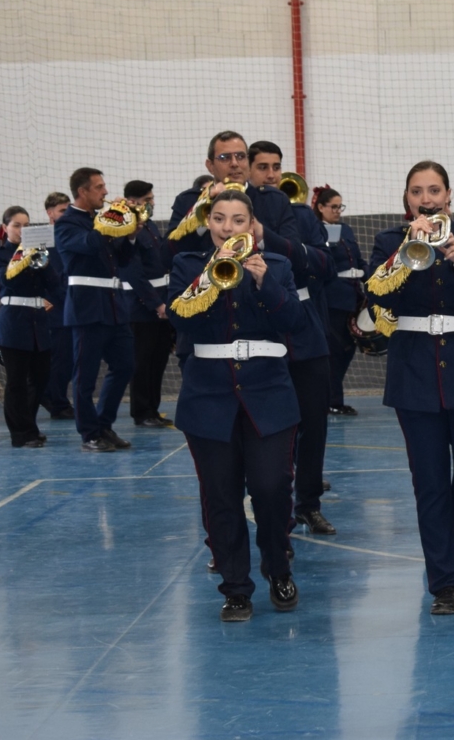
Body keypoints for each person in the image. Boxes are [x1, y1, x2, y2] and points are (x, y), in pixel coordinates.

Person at [365, 161, 454, 614]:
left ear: (449, 196)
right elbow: (376, 297)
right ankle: (443, 581)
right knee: (429, 483)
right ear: (406, 199)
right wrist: (405, 253)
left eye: (433, 191)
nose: (426, 199)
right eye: (417, 192)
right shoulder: (389, 242)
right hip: (414, 375)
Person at [167, 188, 308, 621]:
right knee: (220, 495)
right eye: (219, 219)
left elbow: (294, 322)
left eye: (238, 220)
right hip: (208, 397)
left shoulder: (277, 265)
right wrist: (210, 278)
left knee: (271, 488)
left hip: (269, 394)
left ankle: (278, 567)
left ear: (252, 225)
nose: (227, 227)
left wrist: (265, 283)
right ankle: (235, 587)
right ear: (207, 223)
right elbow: (179, 318)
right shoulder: (187, 265)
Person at [247, 140, 336, 535]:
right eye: (263, 167)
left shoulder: (300, 213)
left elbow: (324, 263)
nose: (271, 175)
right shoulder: (227, 211)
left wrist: (268, 237)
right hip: (259, 329)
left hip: (304, 330)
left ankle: (309, 504)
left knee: (314, 423)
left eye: (276, 167)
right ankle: (272, 508)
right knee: (266, 429)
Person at [57, 167, 138, 452]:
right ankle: (89, 434)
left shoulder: (99, 220)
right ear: (82, 191)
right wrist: (113, 216)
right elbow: (90, 244)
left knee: (125, 365)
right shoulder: (67, 223)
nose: (105, 192)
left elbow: (122, 259)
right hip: (87, 308)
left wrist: (131, 232)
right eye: (99, 187)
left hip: (114, 307)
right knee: (85, 377)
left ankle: (104, 424)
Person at [0, 206, 59, 447]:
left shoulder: (38, 251)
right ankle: (20, 434)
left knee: (40, 379)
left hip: (37, 322)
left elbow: (54, 284)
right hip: (13, 323)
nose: (22, 230)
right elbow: (6, 280)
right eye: (17, 225)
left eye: (27, 226)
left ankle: (28, 425)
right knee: (16, 382)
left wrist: (44, 263)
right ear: (5, 228)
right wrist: (23, 256)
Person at [123, 180, 176, 429]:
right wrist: (156, 304)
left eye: (152, 199)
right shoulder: (128, 230)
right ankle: (141, 411)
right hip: (141, 307)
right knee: (142, 363)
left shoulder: (150, 226)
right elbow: (133, 273)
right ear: (132, 202)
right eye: (147, 200)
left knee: (158, 360)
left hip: (162, 303)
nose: (152, 203)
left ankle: (153, 409)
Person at [315, 186, 363, 416]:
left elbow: (358, 259)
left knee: (348, 349)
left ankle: (334, 397)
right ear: (320, 207)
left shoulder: (346, 229)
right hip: (332, 299)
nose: (337, 211)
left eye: (339, 207)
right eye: (333, 207)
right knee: (335, 351)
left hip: (353, 297)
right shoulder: (315, 231)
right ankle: (332, 400)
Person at [38, 192, 76, 421]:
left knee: (69, 358)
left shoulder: (72, 235)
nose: (66, 215)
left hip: (73, 302)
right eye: (62, 211)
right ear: (50, 213)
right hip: (54, 306)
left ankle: (55, 398)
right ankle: (56, 401)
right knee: (60, 358)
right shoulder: (41, 239)